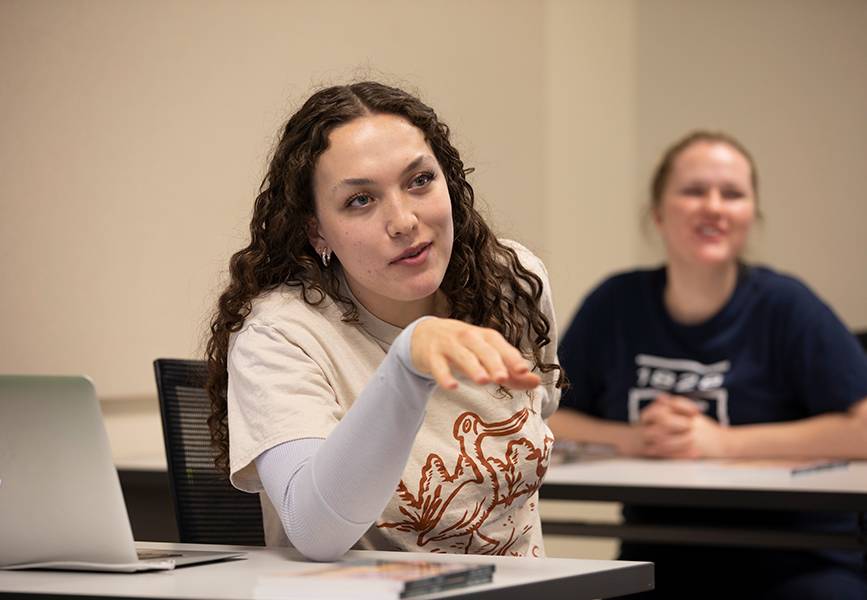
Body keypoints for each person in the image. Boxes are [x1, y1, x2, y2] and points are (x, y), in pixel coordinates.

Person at [204, 81, 563, 561]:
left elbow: (541, 413)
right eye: (360, 200)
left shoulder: (510, 282)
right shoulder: (280, 332)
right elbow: (315, 530)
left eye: (419, 181)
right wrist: (407, 364)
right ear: (316, 230)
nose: (403, 221)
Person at [549, 130, 867, 598]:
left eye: (733, 194)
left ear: (750, 215)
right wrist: (635, 439)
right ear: (658, 212)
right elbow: (546, 414)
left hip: (799, 556)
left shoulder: (788, 305)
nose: (714, 207)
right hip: (661, 552)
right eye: (694, 191)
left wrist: (721, 442)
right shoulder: (615, 303)